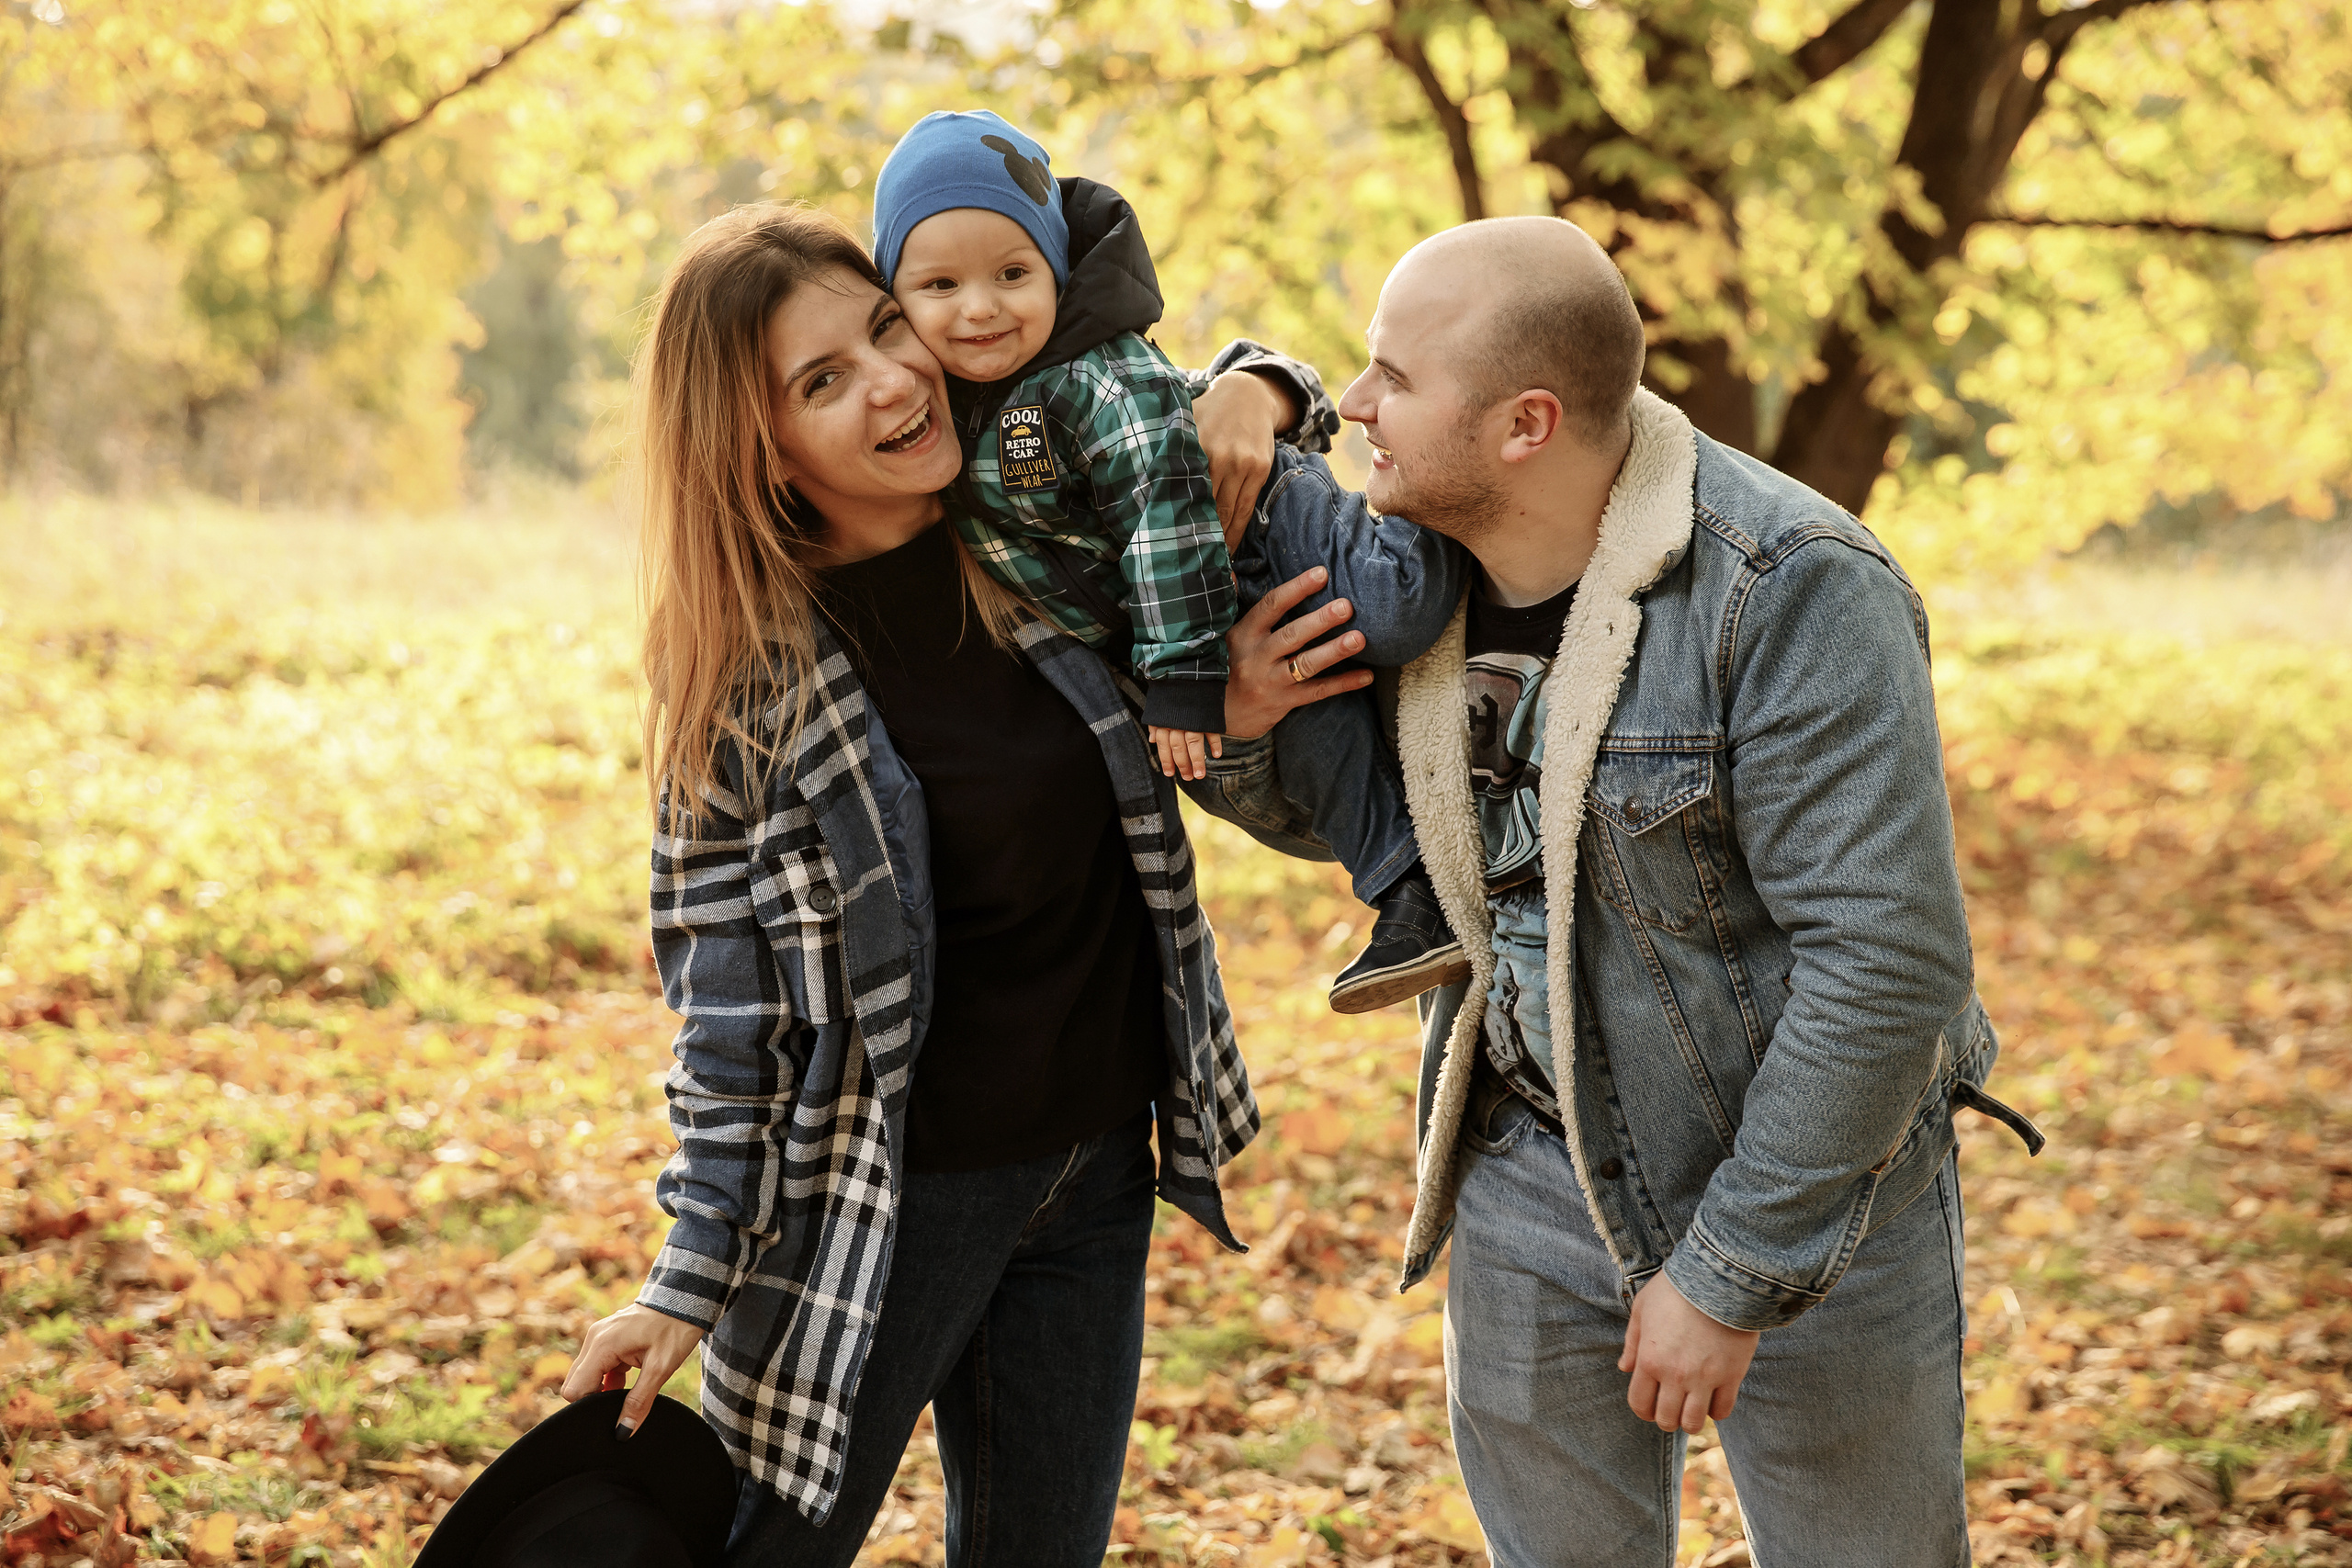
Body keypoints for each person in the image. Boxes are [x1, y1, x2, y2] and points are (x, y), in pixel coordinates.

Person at [1194, 218, 2043, 1566]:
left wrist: (1732, 1270)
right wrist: (1242, 716)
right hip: (1529, 1160)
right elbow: (1381, 821)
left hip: (1806, 1177)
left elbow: (1885, 959)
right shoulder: (1419, 568)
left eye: (1390, 379)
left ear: (1528, 423)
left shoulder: (1790, 585)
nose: (1356, 408)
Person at [552, 202, 1367, 1566]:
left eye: (883, 328)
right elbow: (726, 1015)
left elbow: (1155, 399)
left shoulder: (1036, 550)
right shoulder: (747, 682)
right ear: (759, 451)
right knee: (769, 1551)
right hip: (886, 1202)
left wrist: (1261, 391)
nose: (894, 377)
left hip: (1096, 1165)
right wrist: (686, 1276)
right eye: (824, 380)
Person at [868, 109, 1470, 1014]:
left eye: (1012, 274)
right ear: (896, 297)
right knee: (1314, 737)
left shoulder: (1085, 377)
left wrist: (1184, 679)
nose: (980, 306)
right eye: (940, 284)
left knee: (1396, 607)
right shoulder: (948, 411)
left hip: (1257, 519)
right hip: (1201, 610)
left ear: (1058, 269)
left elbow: (1161, 517)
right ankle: (1409, 896)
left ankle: (1461, 478)